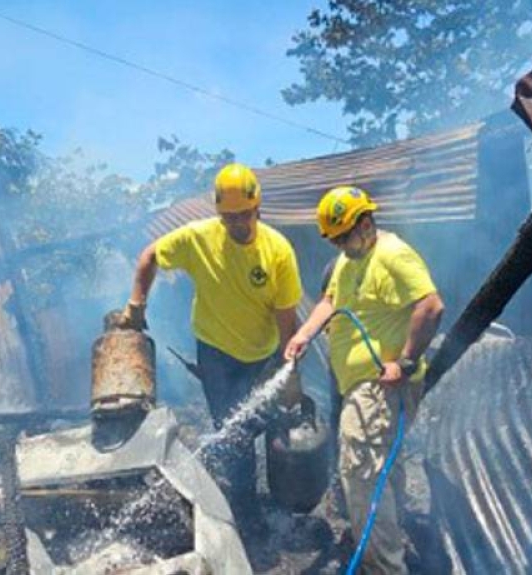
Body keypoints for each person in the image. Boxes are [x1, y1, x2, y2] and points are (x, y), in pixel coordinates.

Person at [121, 162, 303, 529]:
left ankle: (277, 492)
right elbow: (150, 257)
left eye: (244, 216)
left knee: (267, 422)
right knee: (232, 431)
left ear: (258, 210)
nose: (237, 224)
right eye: (229, 217)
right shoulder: (198, 238)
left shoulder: (278, 251)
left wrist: (290, 372)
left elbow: (287, 319)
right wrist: (136, 305)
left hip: (263, 352)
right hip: (216, 352)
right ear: (219, 214)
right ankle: (246, 511)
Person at [285, 186, 444, 574]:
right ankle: (393, 543)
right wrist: (304, 333)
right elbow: (330, 300)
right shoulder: (348, 260)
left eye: (344, 236)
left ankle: (382, 566)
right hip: (360, 385)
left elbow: (431, 305)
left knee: (360, 472)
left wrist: (405, 362)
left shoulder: (392, 254)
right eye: (334, 239)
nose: (341, 244)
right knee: (383, 469)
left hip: (380, 384)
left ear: (367, 222)